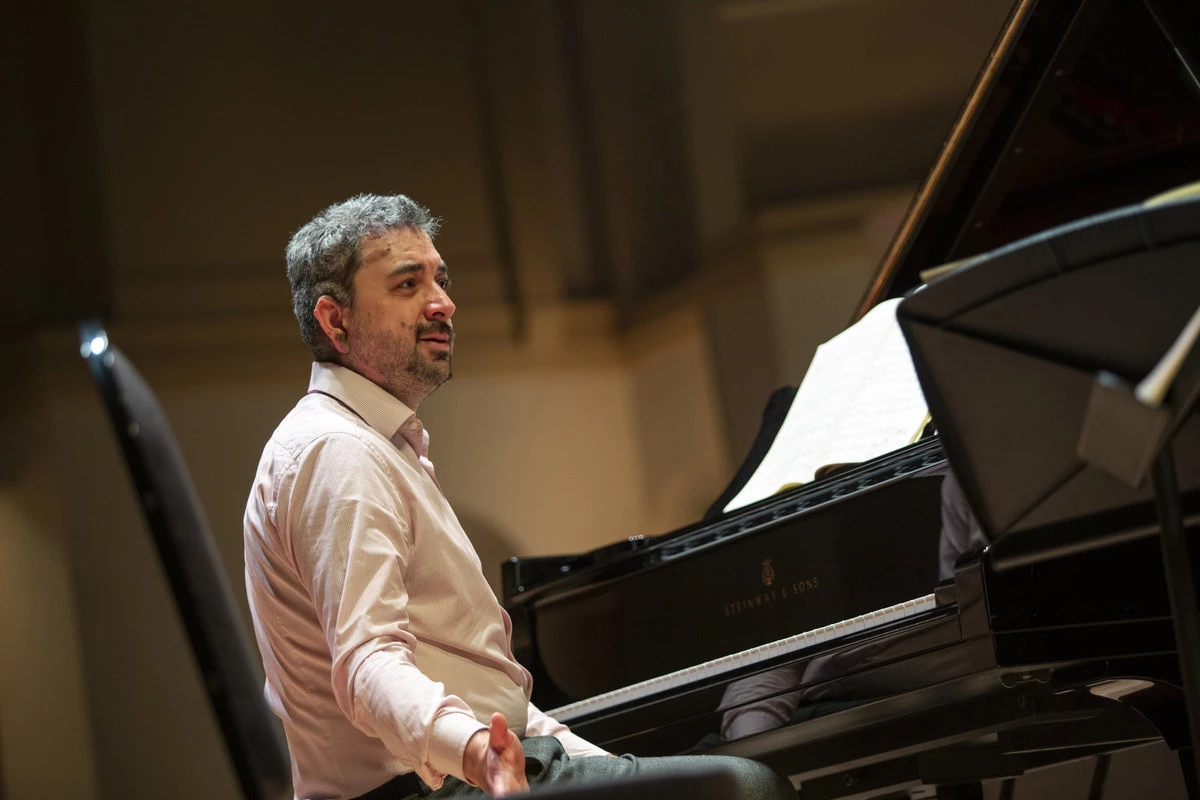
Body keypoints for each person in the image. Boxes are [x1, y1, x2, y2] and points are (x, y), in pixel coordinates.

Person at [244, 194, 796, 800]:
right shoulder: (339, 451)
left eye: (441, 279)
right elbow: (367, 661)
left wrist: (608, 767)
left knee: (724, 776)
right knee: (750, 787)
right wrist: (475, 751)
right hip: (432, 788)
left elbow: (505, 709)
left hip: (474, 771)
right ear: (335, 321)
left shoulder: (375, 444)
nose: (443, 302)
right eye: (407, 284)